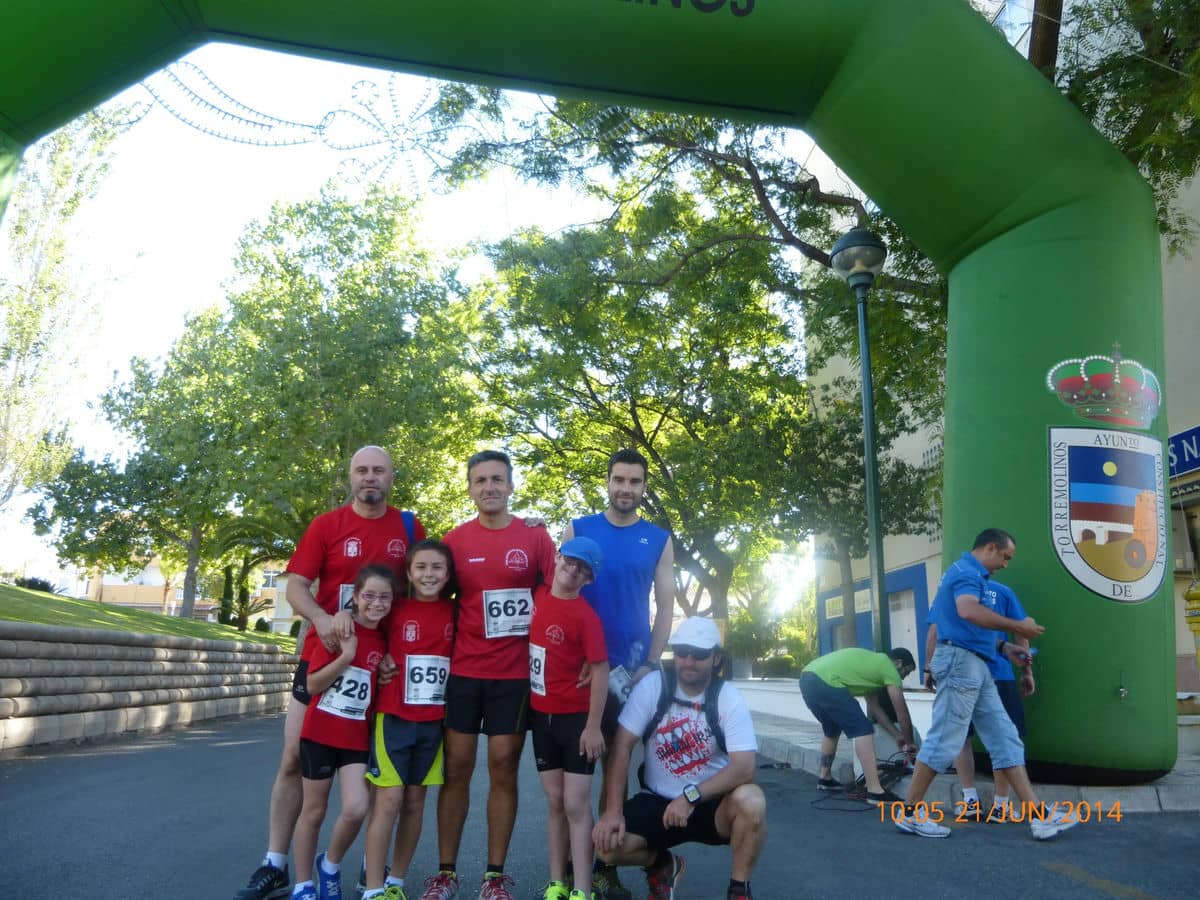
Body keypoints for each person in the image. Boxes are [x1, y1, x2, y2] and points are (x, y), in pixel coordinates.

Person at [236, 446, 426, 900]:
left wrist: (397, 651)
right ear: (350, 477)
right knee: (292, 757)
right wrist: (321, 619)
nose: (369, 477)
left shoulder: (408, 528)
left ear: (391, 477)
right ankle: (276, 862)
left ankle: (369, 867)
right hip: (322, 658)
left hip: (377, 667)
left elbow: (422, 587)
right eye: (361, 470)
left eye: (378, 470)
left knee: (377, 770)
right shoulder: (327, 525)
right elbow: (296, 587)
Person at [423, 450, 557, 900]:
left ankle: (494, 877)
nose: (489, 487)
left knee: (503, 767)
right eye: (480, 480)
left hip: (514, 676)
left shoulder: (535, 536)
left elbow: (557, 590)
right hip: (463, 671)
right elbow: (430, 597)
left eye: (497, 479)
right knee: (456, 769)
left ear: (511, 486)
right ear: (469, 488)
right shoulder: (454, 541)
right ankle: (445, 874)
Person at [894, 528, 1077, 841]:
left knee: (1005, 739)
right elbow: (967, 611)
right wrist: (1019, 626)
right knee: (946, 739)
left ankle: (1039, 816)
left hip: (975, 663)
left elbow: (959, 627)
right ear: (991, 548)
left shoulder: (964, 572)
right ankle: (910, 812)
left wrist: (1005, 647)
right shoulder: (968, 574)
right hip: (963, 664)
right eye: (1005, 557)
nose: (1005, 564)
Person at [562, 450, 674, 900]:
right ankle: (569, 864)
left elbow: (665, 608)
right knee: (572, 772)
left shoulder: (659, 539)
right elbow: (559, 589)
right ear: (607, 482)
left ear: (644, 487)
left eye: (635, 481)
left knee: (617, 766)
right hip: (578, 669)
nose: (626, 488)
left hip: (630, 670)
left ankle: (605, 865)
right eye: (619, 479)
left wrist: (650, 663)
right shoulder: (579, 529)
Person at [592, 618, 765, 900]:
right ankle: (662, 865)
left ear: (716, 658)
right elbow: (622, 747)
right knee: (607, 845)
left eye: (699, 654)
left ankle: (738, 891)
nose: (689, 661)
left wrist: (690, 797)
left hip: (711, 803)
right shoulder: (653, 686)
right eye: (682, 652)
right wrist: (612, 811)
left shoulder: (728, 698)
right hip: (658, 801)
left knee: (752, 800)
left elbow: (744, 768)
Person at [362, 540, 457, 900]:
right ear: (409, 573)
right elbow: (365, 630)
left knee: (415, 803)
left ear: (448, 575)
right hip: (394, 717)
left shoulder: (456, 612)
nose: (429, 574)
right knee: (388, 801)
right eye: (421, 567)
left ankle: (396, 883)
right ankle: (373, 887)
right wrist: (380, 660)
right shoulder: (394, 608)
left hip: (433, 722)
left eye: (437, 567)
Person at [291, 565, 393, 900]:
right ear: (356, 597)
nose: (376, 603)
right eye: (369, 595)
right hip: (320, 733)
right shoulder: (339, 631)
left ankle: (330, 864)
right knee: (314, 811)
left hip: (355, 739)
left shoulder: (384, 640)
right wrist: (346, 656)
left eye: (384, 597)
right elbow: (312, 684)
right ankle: (303, 885)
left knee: (355, 808)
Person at [529, 537, 610, 900]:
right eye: (571, 561)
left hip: (575, 720)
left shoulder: (586, 617)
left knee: (576, 805)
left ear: (589, 579)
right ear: (558, 558)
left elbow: (601, 669)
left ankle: (582, 888)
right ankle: (556, 882)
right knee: (555, 802)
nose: (574, 570)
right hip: (541, 718)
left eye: (583, 569)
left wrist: (593, 727)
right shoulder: (538, 594)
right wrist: (535, 524)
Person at [924, 578, 1036, 822]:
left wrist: (929, 668)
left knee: (959, 737)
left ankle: (970, 800)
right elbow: (1021, 633)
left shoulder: (949, 590)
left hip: (960, 672)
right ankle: (1001, 805)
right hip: (999, 674)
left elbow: (934, 631)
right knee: (1003, 738)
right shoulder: (1003, 591)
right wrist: (1027, 671)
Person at [798, 647, 918, 803]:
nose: (903, 678)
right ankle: (875, 790)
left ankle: (825, 778)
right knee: (863, 729)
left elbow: (875, 708)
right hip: (826, 680)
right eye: (906, 672)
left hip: (807, 678)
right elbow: (902, 713)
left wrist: (897, 736)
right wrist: (910, 743)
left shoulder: (873, 668)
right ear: (898, 663)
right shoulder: (889, 667)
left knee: (832, 729)